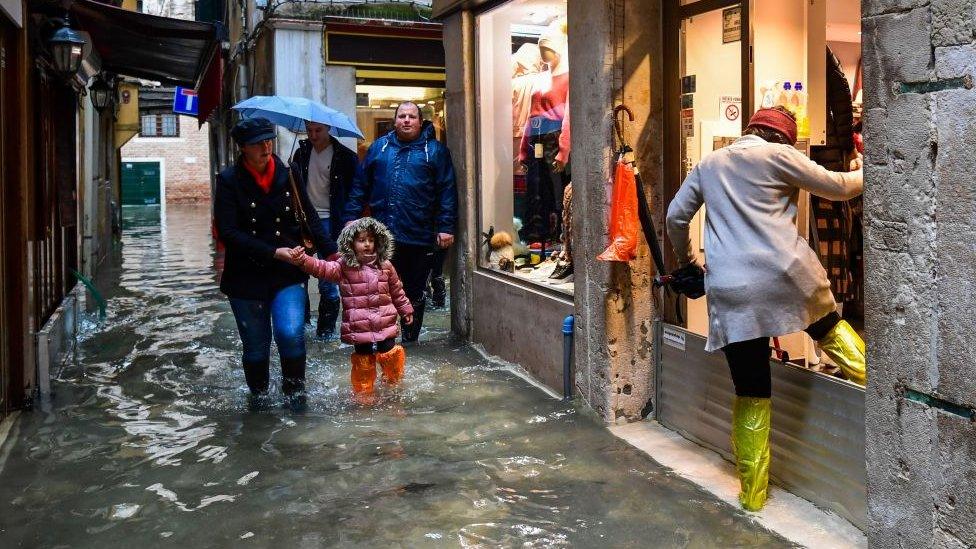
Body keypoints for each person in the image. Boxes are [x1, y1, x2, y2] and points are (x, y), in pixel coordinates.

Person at [665, 106, 866, 512]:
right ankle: (888, 409)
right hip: (790, 278)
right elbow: (841, 187)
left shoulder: (709, 164)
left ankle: (753, 496)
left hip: (733, 290)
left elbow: (675, 216)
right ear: (782, 138)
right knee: (834, 335)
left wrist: (688, 263)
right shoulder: (779, 156)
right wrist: (873, 167)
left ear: (751, 129)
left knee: (752, 391)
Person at [214, 117, 337, 408]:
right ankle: (259, 404)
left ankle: (296, 400)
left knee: (290, 333)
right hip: (246, 276)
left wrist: (333, 254)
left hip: (288, 271)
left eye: (269, 140)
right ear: (243, 148)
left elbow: (308, 216)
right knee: (256, 348)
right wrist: (272, 252)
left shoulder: (288, 171)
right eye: (258, 143)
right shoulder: (229, 180)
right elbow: (229, 233)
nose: (266, 146)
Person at [343, 101, 457, 343]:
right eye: (402, 116)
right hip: (382, 237)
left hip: (418, 234)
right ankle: (385, 341)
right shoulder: (379, 148)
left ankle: (410, 342)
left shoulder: (435, 151)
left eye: (412, 116)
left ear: (420, 121)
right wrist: (350, 220)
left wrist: (446, 227)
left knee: (413, 291)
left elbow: (447, 190)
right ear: (394, 121)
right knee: (379, 290)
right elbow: (359, 186)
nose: (406, 120)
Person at [284, 217, 413, 402]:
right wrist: (303, 259)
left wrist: (406, 310)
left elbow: (397, 290)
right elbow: (321, 268)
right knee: (363, 357)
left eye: (371, 240)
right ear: (350, 243)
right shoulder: (344, 267)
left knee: (389, 351)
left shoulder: (385, 266)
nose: (367, 244)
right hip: (359, 325)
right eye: (361, 240)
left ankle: (394, 384)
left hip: (385, 320)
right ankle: (364, 392)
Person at [290, 120, 358, 338]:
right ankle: (302, 327)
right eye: (309, 130)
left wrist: (350, 220)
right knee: (298, 274)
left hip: (332, 222)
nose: (313, 135)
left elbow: (355, 192)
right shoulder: (300, 154)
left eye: (318, 130)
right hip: (303, 222)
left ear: (328, 129)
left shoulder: (346, 157)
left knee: (329, 280)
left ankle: (325, 334)